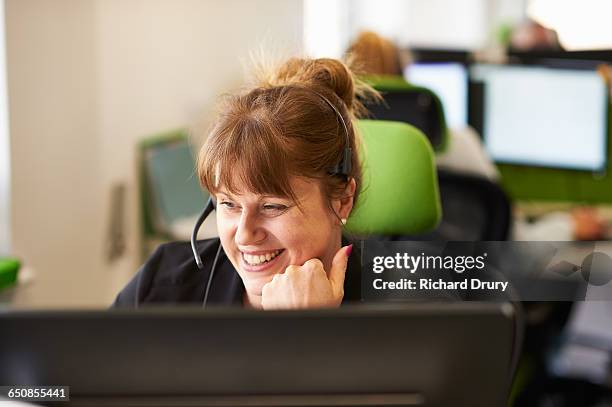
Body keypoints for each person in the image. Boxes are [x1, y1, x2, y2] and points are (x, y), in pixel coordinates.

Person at [114, 57, 375, 309]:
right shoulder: (163, 284)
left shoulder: (401, 296)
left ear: (342, 201)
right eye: (228, 203)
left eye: (272, 206)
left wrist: (305, 332)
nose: (243, 234)